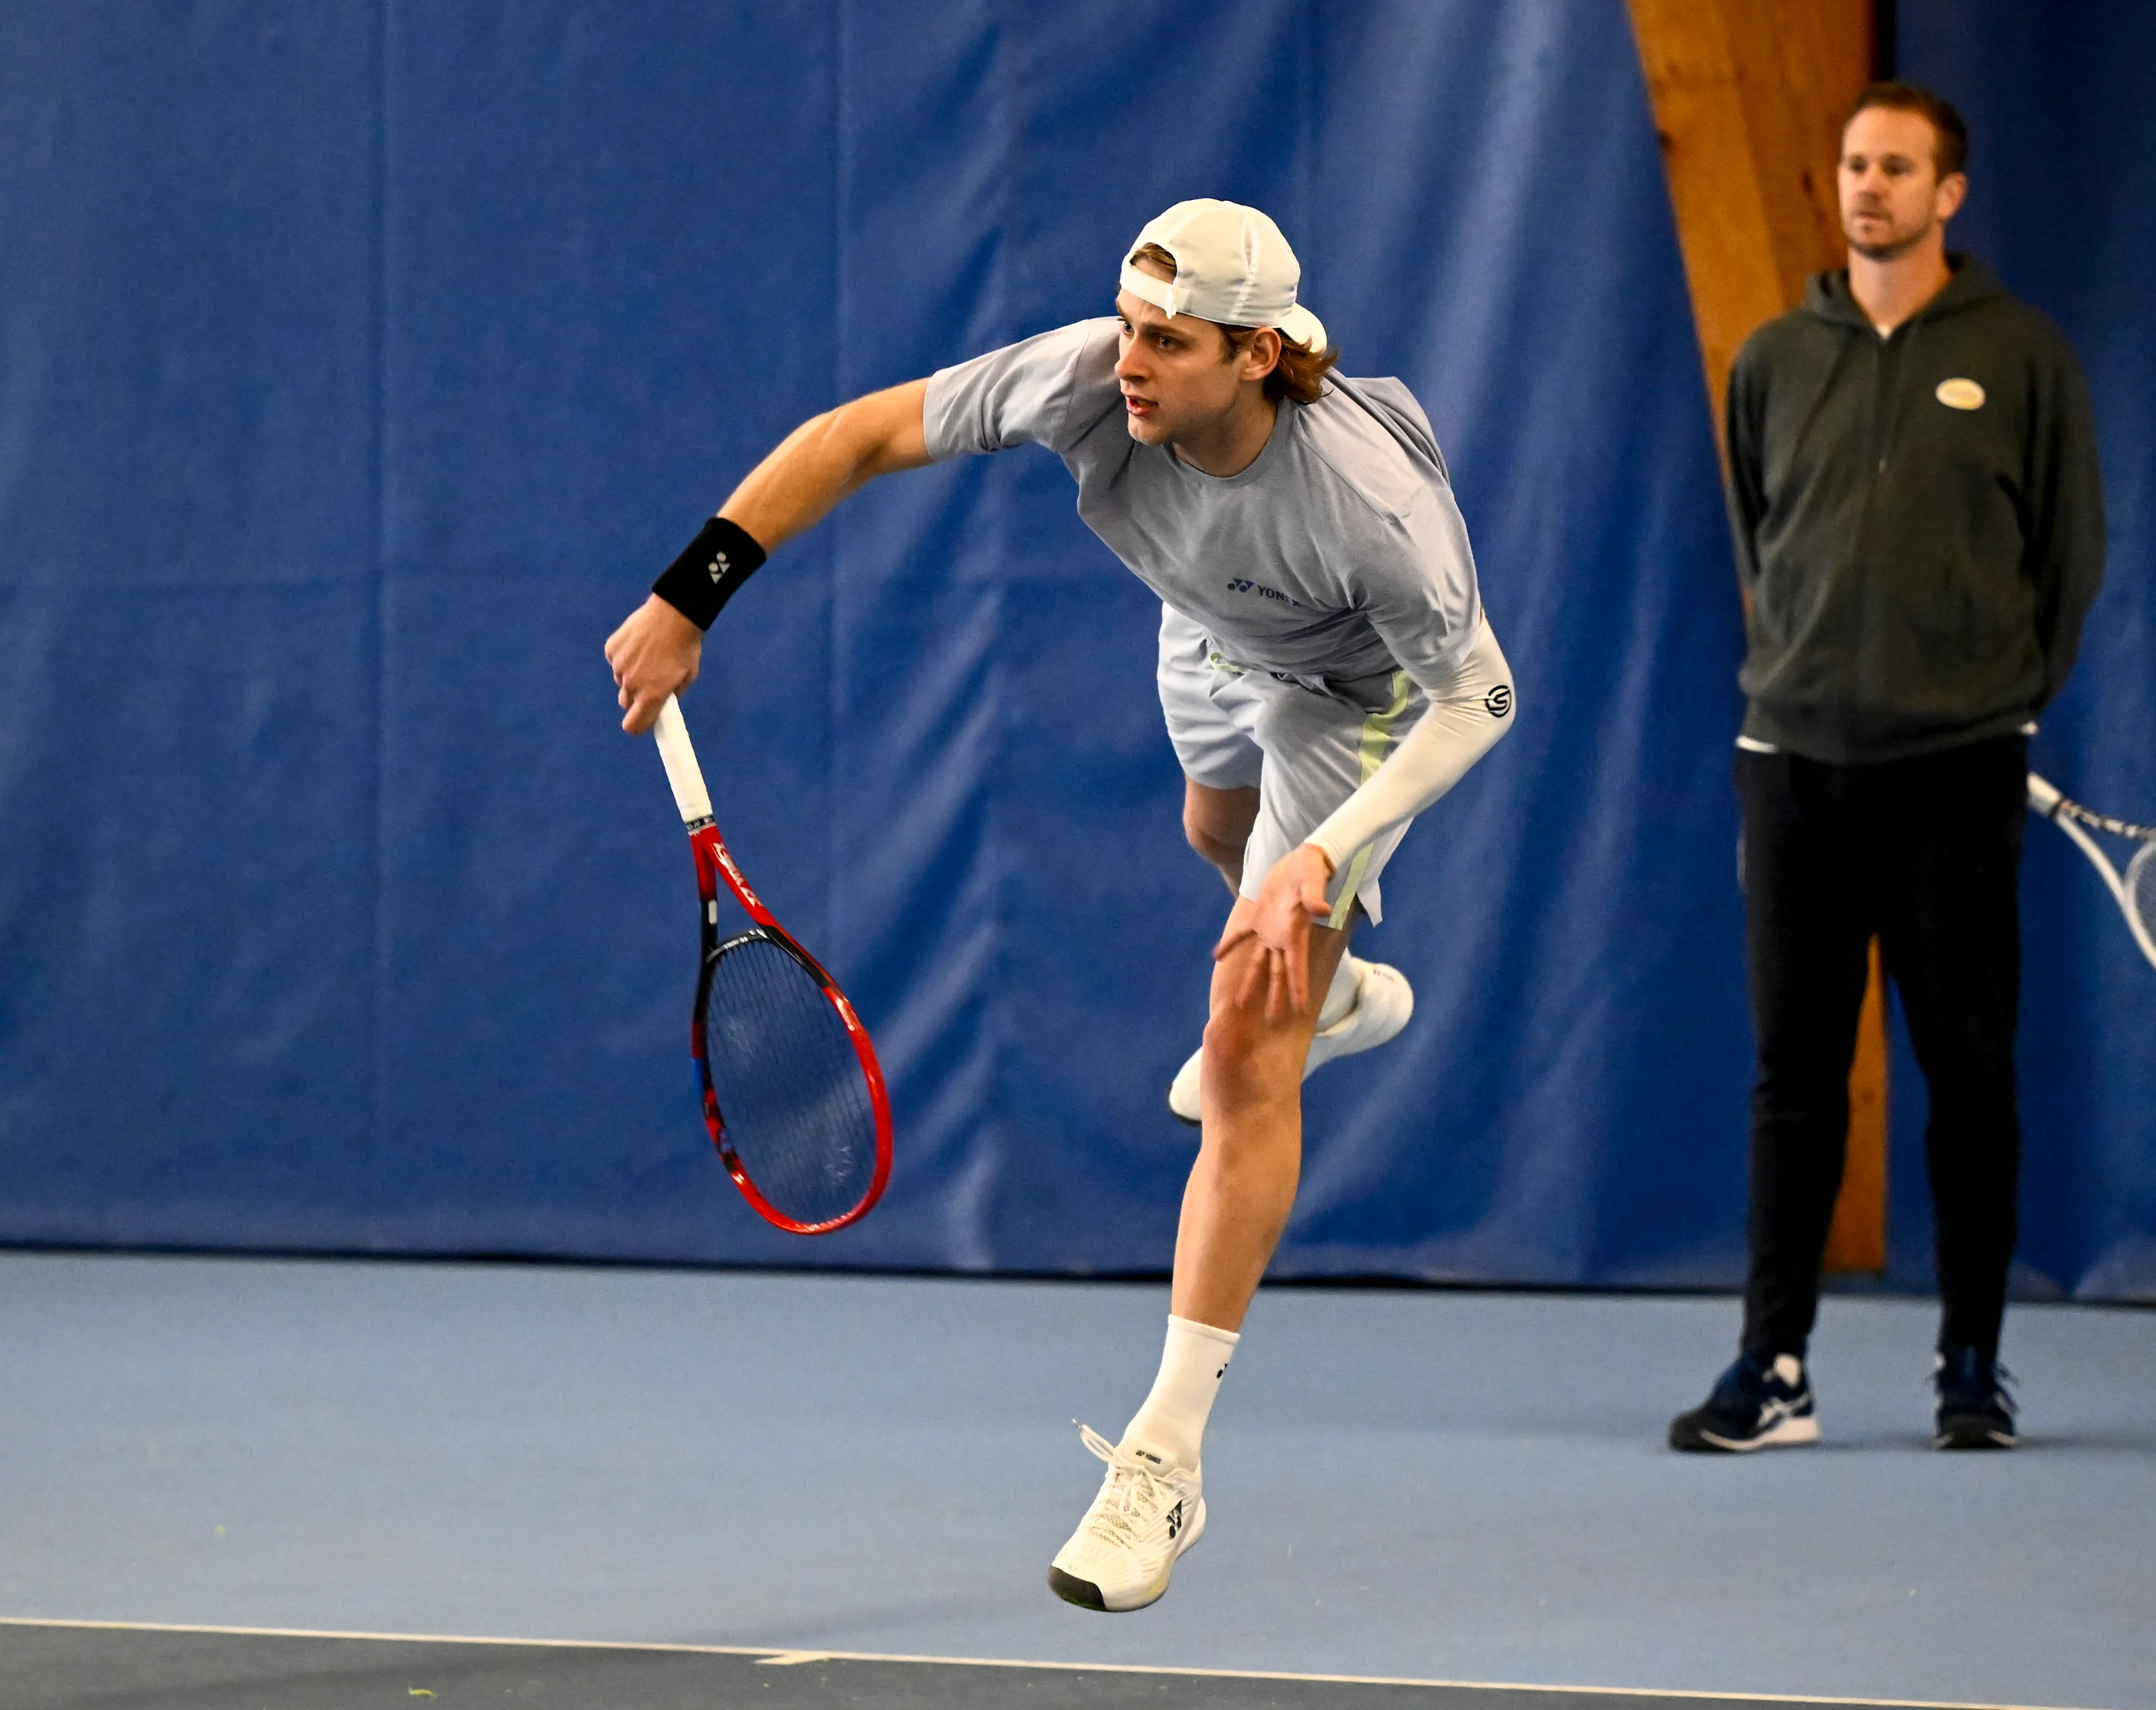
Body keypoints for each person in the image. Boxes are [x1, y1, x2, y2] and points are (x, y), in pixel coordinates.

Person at [604, 199, 1515, 1605]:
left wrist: (1322, 860)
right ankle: (1338, 990)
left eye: (1172, 341)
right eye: (1130, 326)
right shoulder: (1092, 379)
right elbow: (856, 436)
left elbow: (1482, 697)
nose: (1132, 360)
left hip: (1358, 693)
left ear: (1262, 354)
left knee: (1240, 1042)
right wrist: (690, 595)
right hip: (1211, 621)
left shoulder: (1373, 511)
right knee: (1212, 825)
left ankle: (1166, 1456)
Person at [1668, 83, 2104, 1454]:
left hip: (1958, 775)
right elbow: (1762, 536)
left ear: (1948, 192)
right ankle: (1772, 1366)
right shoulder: (1775, 360)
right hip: (1791, 768)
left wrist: (1989, 708)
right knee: (1793, 1076)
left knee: (1969, 1071)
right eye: (1856, 163)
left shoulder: (2023, 356)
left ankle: (1970, 1363)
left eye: (1898, 167)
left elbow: (2067, 559)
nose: (1870, 186)